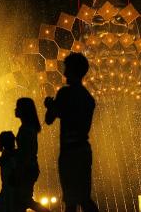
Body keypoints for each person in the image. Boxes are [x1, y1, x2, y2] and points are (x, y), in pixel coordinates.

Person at [44, 53, 99, 212]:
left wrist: (50, 105)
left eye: (67, 68)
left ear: (73, 70)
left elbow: (49, 119)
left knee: (70, 200)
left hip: (69, 153)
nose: (65, 73)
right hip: (83, 150)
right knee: (84, 198)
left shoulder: (65, 93)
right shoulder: (88, 98)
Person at [15, 98, 50, 212]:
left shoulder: (27, 129)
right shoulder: (28, 127)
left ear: (24, 110)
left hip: (27, 168)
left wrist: (20, 170)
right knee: (22, 202)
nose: (15, 109)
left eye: (18, 107)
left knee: (24, 200)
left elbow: (27, 151)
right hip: (29, 167)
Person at [0, 131, 17, 212]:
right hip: (8, 190)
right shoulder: (8, 155)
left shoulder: (9, 156)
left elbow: (12, 171)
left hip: (10, 191)